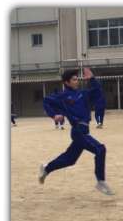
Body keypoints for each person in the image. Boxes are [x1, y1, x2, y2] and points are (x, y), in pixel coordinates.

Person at [39, 67, 113, 195]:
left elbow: (98, 92)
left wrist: (92, 79)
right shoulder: (62, 96)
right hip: (78, 131)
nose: (77, 81)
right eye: (74, 79)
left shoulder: (83, 94)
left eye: (77, 79)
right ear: (66, 82)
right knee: (100, 149)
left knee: (70, 159)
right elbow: (46, 101)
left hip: (84, 130)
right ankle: (100, 181)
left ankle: (46, 169)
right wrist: (53, 115)